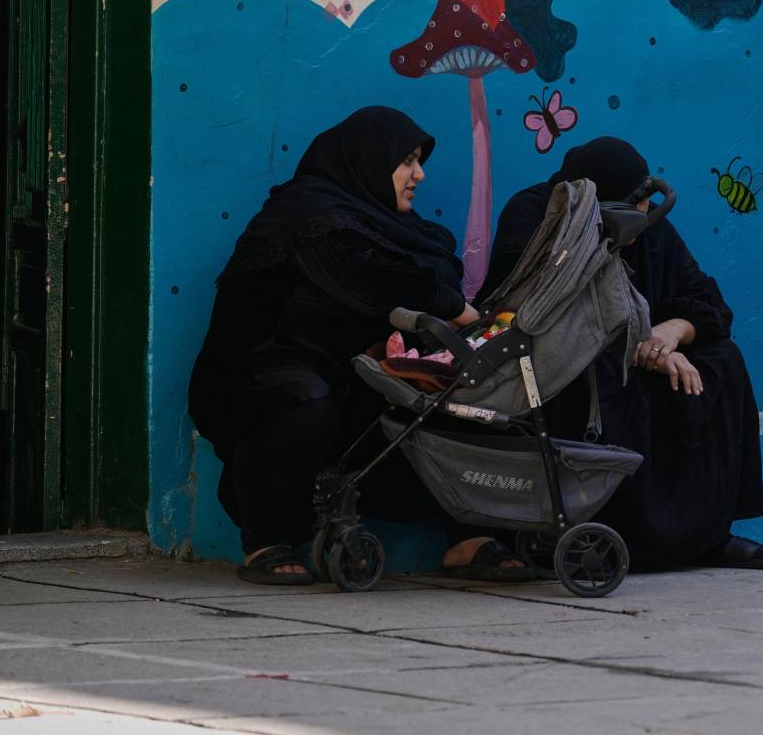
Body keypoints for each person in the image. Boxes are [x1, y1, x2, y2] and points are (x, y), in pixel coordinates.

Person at [188, 106, 532, 585]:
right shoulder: (307, 212)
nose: (420, 174)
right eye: (407, 160)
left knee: (454, 401)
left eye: (419, 161)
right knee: (306, 401)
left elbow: (424, 271)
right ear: (369, 160)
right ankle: (268, 539)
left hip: (358, 377)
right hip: (268, 375)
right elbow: (364, 277)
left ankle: (468, 537)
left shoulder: (402, 230)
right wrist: (454, 309)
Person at [479, 137, 763, 571]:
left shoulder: (648, 222)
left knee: (722, 362)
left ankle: (708, 534)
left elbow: (706, 301)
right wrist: (636, 345)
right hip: (569, 361)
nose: (642, 221)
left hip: (649, 353)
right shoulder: (537, 214)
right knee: (599, 372)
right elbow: (534, 310)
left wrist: (670, 334)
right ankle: (613, 536)